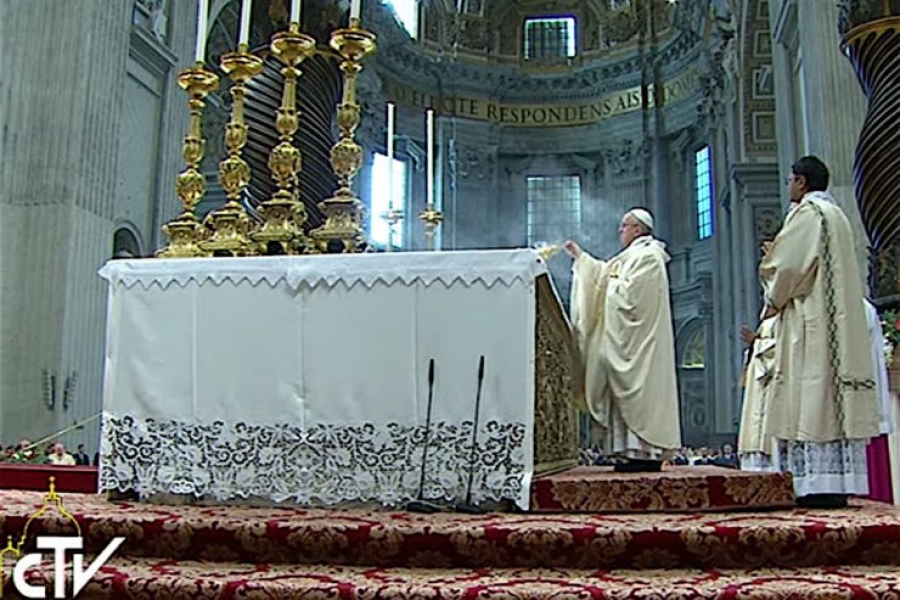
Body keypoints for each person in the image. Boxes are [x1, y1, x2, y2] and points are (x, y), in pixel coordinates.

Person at [755, 156, 880, 508]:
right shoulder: (838, 216)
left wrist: (770, 269)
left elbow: (788, 269)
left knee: (812, 399)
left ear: (801, 182)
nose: (789, 187)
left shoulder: (807, 215)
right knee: (830, 398)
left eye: (790, 180)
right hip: (837, 322)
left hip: (811, 323)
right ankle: (837, 483)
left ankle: (814, 484)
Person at [564, 208, 682, 471]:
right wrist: (582, 259)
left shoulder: (650, 256)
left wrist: (610, 285)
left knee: (639, 392)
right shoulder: (628, 257)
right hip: (625, 340)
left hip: (640, 345)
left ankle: (645, 454)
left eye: (624, 226)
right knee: (615, 382)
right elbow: (604, 275)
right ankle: (627, 453)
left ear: (638, 229)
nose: (620, 231)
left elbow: (634, 299)